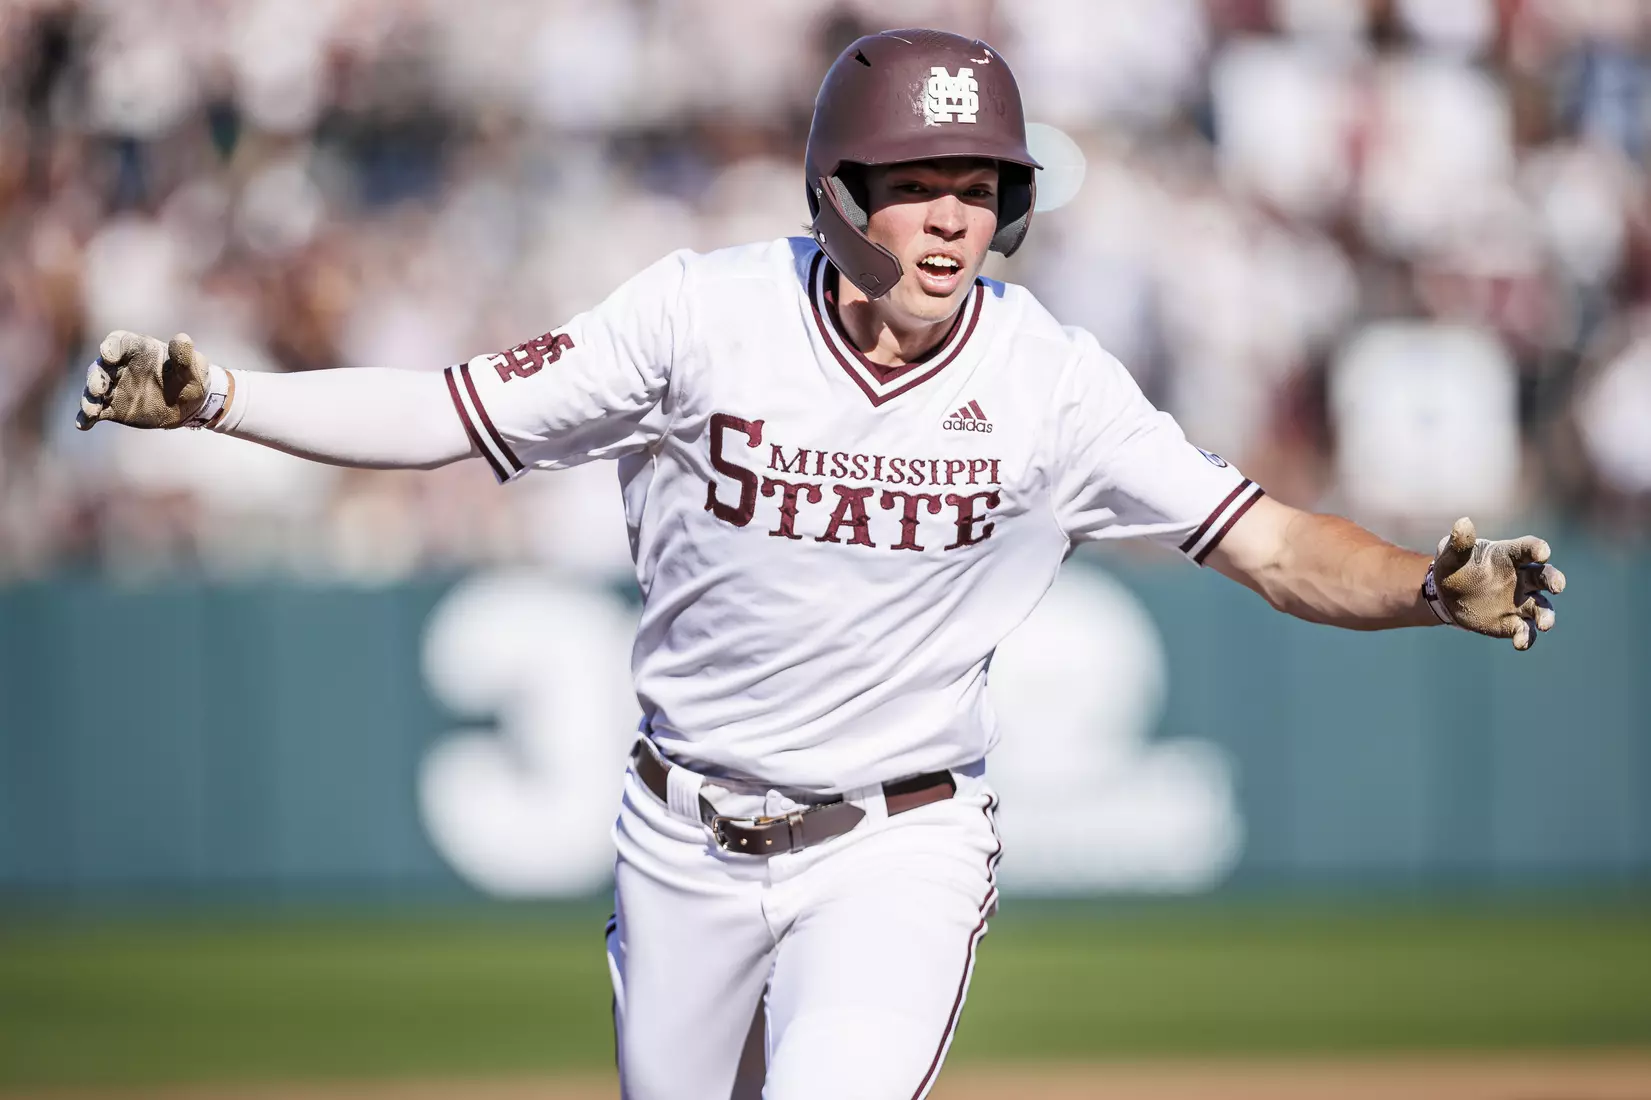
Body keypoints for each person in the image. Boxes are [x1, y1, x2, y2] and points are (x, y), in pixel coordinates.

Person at [73, 28, 1566, 1100]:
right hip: (679, 835)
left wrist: (1425, 590)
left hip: (894, 841)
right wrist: (224, 397)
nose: (951, 221)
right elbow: (446, 411)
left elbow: (1273, 544)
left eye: (980, 189)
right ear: (838, 189)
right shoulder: (698, 317)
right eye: (920, 184)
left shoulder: (1050, 380)